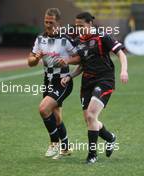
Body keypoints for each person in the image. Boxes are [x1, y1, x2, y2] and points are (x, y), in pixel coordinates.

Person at [58, 12, 128, 164]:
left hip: (104, 80)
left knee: (91, 115)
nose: (79, 29)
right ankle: (110, 138)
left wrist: (124, 70)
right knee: (90, 120)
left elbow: (121, 54)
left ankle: (92, 155)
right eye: (77, 26)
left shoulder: (102, 37)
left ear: (90, 24)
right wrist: (70, 75)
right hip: (87, 83)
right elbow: (83, 65)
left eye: (81, 26)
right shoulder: (78, 41)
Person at [27, 8, 77, 159]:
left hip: (63, 81)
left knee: (43, 109)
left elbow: (80, 58)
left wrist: (67, 60)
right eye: (46, 22)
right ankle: (66, 147)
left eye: (51, 22)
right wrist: (36, 58)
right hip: (48, 81)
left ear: (58, 22)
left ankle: (54, 143)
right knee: (56, 117)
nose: (48, 25)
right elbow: (30, 62)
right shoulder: (39, 39)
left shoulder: (65, 40)